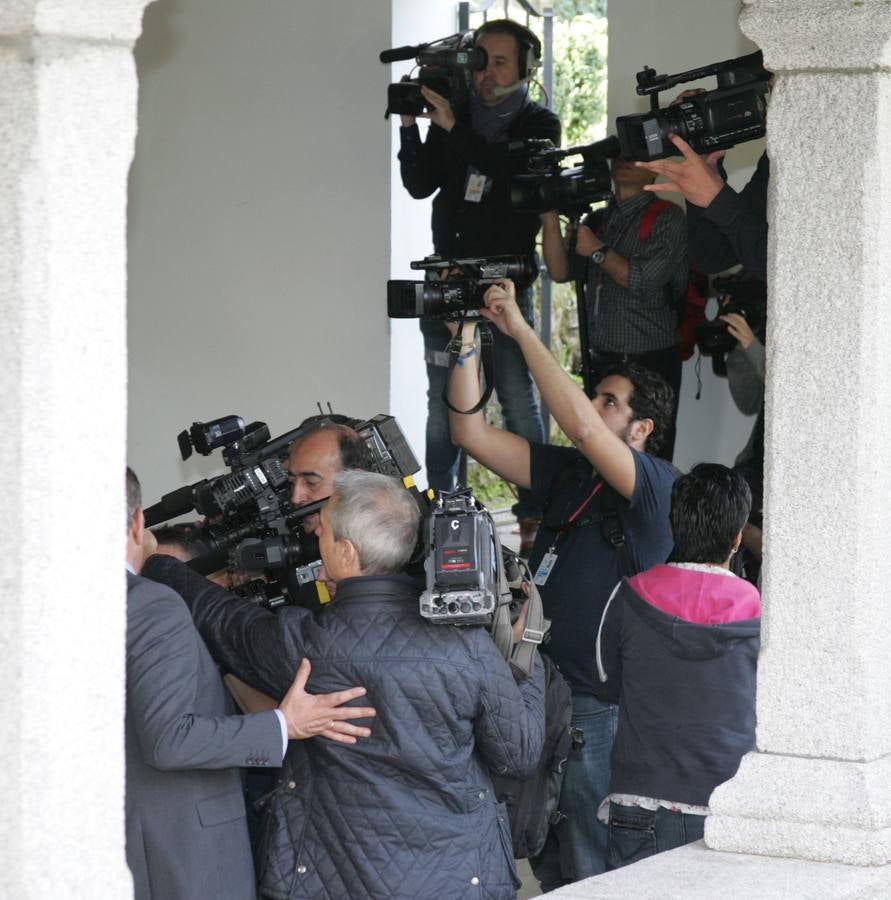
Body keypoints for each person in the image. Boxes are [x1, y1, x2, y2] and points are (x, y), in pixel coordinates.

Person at [141, 469, 545, 899]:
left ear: (347, 552)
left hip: (331, 879)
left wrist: (158, 562)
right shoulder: (469, 646)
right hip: (457, 879)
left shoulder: (305, 644)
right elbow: (518, 756)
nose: (316, 540)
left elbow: (222, 618)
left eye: (325, 533)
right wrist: (526, 658)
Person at [446, 281, 677, 888]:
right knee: (537, 848)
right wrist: (468, 343)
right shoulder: (572, 472)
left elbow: (580, 429)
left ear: (642, 428)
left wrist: (521, 330)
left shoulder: (656, 487)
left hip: (594, 707)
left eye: (608, 400)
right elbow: (470, 435)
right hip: (531, 688)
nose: (591, 406)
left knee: (588, 864)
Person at [124, 468, 374, 900]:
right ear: (137, 522)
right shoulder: (148, 605)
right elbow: (169, 740)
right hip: (174, 850)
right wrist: (284, 725)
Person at [398, 18, 561, 552]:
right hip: (449, 279)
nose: (486, 74)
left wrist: (452, 130)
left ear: (526, 68)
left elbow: (510, 177)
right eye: (479, 60)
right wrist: (409, 124)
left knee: (517, 398)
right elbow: (421, 185)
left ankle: (536, 512)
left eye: (500, 62)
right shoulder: (456, 114)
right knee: (443, 404)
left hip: (506, 285)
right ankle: (442, 510)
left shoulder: (540, 123)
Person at [593, 464, 761, 868]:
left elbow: (604, 685)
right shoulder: (760, 611)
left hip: (639, 797)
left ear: (672, 526)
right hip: (727, 803)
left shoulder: (627, 596)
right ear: (737, 539)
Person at [541, 155, 688, 459]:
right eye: (620, 154)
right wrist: (549, 214)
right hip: (604, 362)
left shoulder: (668, 218)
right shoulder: (599, 221)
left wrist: (596, 250)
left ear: (655, 169)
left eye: (637, 157)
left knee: (647, 460)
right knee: (598, 455)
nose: (624, 160)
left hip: (651, 365)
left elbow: (641, 279)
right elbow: (559, 271)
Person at [637, 131, 768, 281]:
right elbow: (712, 256)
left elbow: (787, 267)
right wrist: (706, 181)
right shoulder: (781, 148)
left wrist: (719, 200)